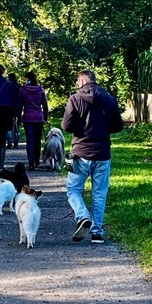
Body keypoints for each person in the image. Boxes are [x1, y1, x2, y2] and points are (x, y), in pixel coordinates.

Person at [62, 70, 123, 244]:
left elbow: (67, 126)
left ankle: (82, 216)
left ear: (82, 81)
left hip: (81, 153)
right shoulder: (110, 100)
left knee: (73, 189)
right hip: (102, 153)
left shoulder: (75, 99)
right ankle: (97, 232)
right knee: (99, 193)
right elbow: (118, 126)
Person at [18, 71, 48, 171]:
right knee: (37, 140)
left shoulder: (23, 90)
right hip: (39, 117)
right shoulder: (40, 89)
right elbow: (45, 105)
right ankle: (36, 161)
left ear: (27, 79)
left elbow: (19, 105)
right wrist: (45, 117)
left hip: (28, 118)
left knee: (30, 141)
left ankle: (31, 163)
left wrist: (18, 118)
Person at [6, 73, 22, 149]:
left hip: (8, 108)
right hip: (18, 108)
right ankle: (16, 142)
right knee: (17, 125)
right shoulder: (19, 87)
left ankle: (9, 141)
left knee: (8, 126)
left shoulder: (6, 86)